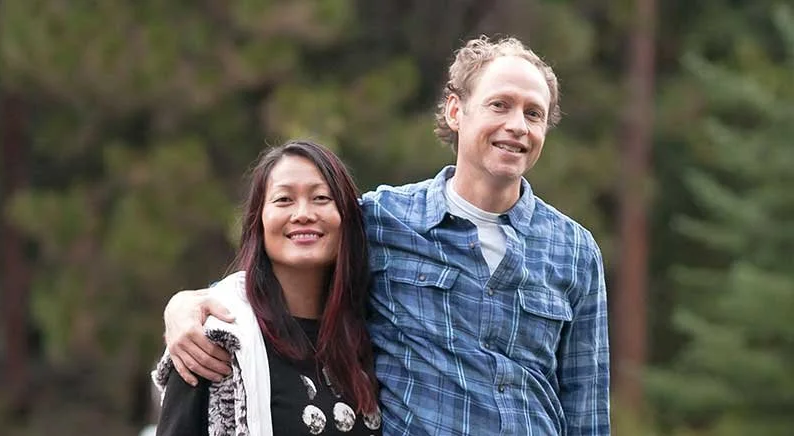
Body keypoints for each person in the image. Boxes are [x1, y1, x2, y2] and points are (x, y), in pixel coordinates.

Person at [163, 35, 610, 435]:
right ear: (456, 110)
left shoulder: (575, 252)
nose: (517, 125)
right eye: (500, 105)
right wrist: (184, 305)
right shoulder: (382, 219)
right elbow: (295, 244)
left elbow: (587, 410)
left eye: (534, 113)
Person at [152, 140, 383, 435]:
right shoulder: (214, 344)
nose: (303, 213)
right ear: (258, 222)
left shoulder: (378, 333)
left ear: (346, 219)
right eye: (284, 200)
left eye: (321, 198)